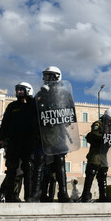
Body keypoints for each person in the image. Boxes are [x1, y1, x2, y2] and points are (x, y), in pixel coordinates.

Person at [34, 66, 76, 202]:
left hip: (58, 133)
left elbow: (70, 112)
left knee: (60, 161)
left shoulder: (64, 94)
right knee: (40, 161)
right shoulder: (40, 94)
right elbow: (34, 112)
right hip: (44, 134)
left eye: (48, 76)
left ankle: (63, 192)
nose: (45, 79)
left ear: (56, 77)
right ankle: (37, 193)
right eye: (45, 76)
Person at [0, 82, 38, 202]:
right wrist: (1, 139)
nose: (19, 92)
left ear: (28, 91)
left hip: (29, 143)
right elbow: (5, 123)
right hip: (13, 142)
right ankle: (10, 196)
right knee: (12, 169)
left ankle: (29, 196)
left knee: (28, 169)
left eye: (21, 90)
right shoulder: (12, 106)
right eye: (17, 90)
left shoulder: (34, 105)